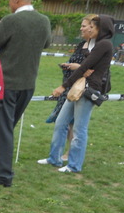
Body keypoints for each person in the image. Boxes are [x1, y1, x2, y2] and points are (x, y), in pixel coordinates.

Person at [0, 0, 51, 187]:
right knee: (7, 128)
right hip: (29, 84)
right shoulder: (44, 21)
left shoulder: (10, 21)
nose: (9, 2)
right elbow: (46, 43)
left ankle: (3, 176)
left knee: (3, 129)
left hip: (8, 84)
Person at [38, 15, 115, 173]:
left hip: (87, 90)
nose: (89, 29)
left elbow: (84, 66)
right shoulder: (95, 44)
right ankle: (55, 158)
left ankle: (74, 166)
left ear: (102, 29)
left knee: (79, 129)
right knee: (61, 123)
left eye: (92, 27)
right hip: (78, 87)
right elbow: (86, 65)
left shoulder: (104, 44)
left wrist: (62, 86)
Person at [45, 14, 98, 161]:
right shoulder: (81, 44)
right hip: (70, 86)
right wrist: (68, 65)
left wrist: (77, 67)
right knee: (64, 123)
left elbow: (92, 70)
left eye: (84, 26)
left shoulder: (98, 47)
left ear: (93, 28)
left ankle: (71, 155)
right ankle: (57, 156)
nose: (81, 28)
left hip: (82, 89)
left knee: (76, 126)